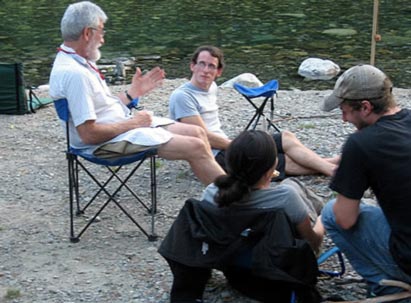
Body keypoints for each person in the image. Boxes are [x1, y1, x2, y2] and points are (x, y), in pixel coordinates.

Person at [49, 1, 225, 186]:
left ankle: (226, 191)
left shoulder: (77, 62)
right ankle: (234, 203)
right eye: (101, 31)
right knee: (196, 146)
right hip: (102, 145)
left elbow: (100, 108)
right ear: (87, 33)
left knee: (197, 132)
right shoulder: (75, 74)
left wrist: (132, 93)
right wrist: (134, 123)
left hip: (118, 127)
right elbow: (89, 135)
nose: (103, 39)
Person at [159, 130, 324, 302]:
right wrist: (323, 221)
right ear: (272, 167)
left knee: (292, 187)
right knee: (294, 186)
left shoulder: (212, 193)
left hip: (232, 262)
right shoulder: (285, 198)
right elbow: (312, 243)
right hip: (275, 269)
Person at [169, 45, 338, 179]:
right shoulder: (183, 96)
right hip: (213, 156)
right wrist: (235, 145)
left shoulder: (211, 87)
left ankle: (328, 165)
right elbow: (202, 136)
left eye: (211, 66)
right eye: (201, 64)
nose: (205, 70)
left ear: (218, 72)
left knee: (285, 137)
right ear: (192, 66)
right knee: (272, 160)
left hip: (225, 143)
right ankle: (331, 168)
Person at [320, 64, 411, 298]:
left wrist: (352, 169)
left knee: (331, 212)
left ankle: (387, 286)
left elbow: (346, 219)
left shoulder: (361, 144)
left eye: (345, 110)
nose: (343, 119)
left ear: (366, 107)